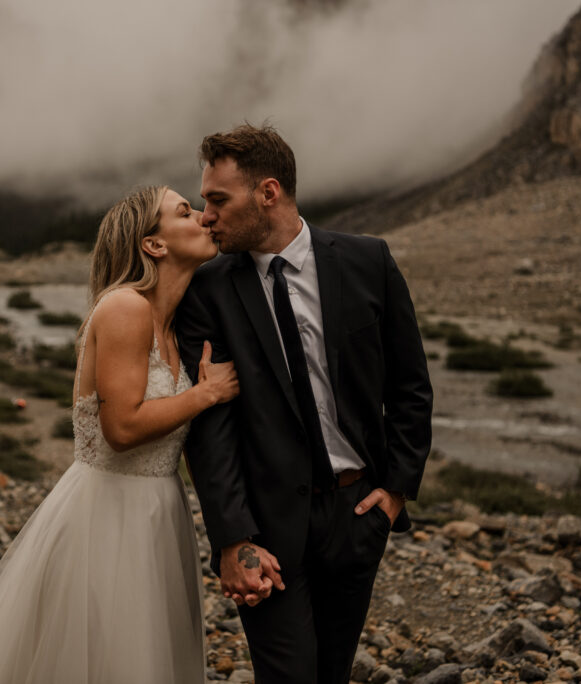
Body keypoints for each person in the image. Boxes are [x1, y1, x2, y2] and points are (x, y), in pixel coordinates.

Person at [0, 185, 239, 683]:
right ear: (153, 244)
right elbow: (122, 428)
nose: (204, 217)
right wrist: (204, 394)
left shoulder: (174, 323)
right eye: (185, 211)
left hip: (161, 511)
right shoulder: (124, 308)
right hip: (108, 517)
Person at [176, 124, 433, 684]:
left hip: (358, 512)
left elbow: (410, 385)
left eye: (218, 200)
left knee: (332, 673)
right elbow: (210, 428)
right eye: (203, 202)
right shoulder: (208, 291)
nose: (206, 216)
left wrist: (394, 491)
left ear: (268, 193)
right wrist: (232, 539)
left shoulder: (369, 261)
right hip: (266, 532)